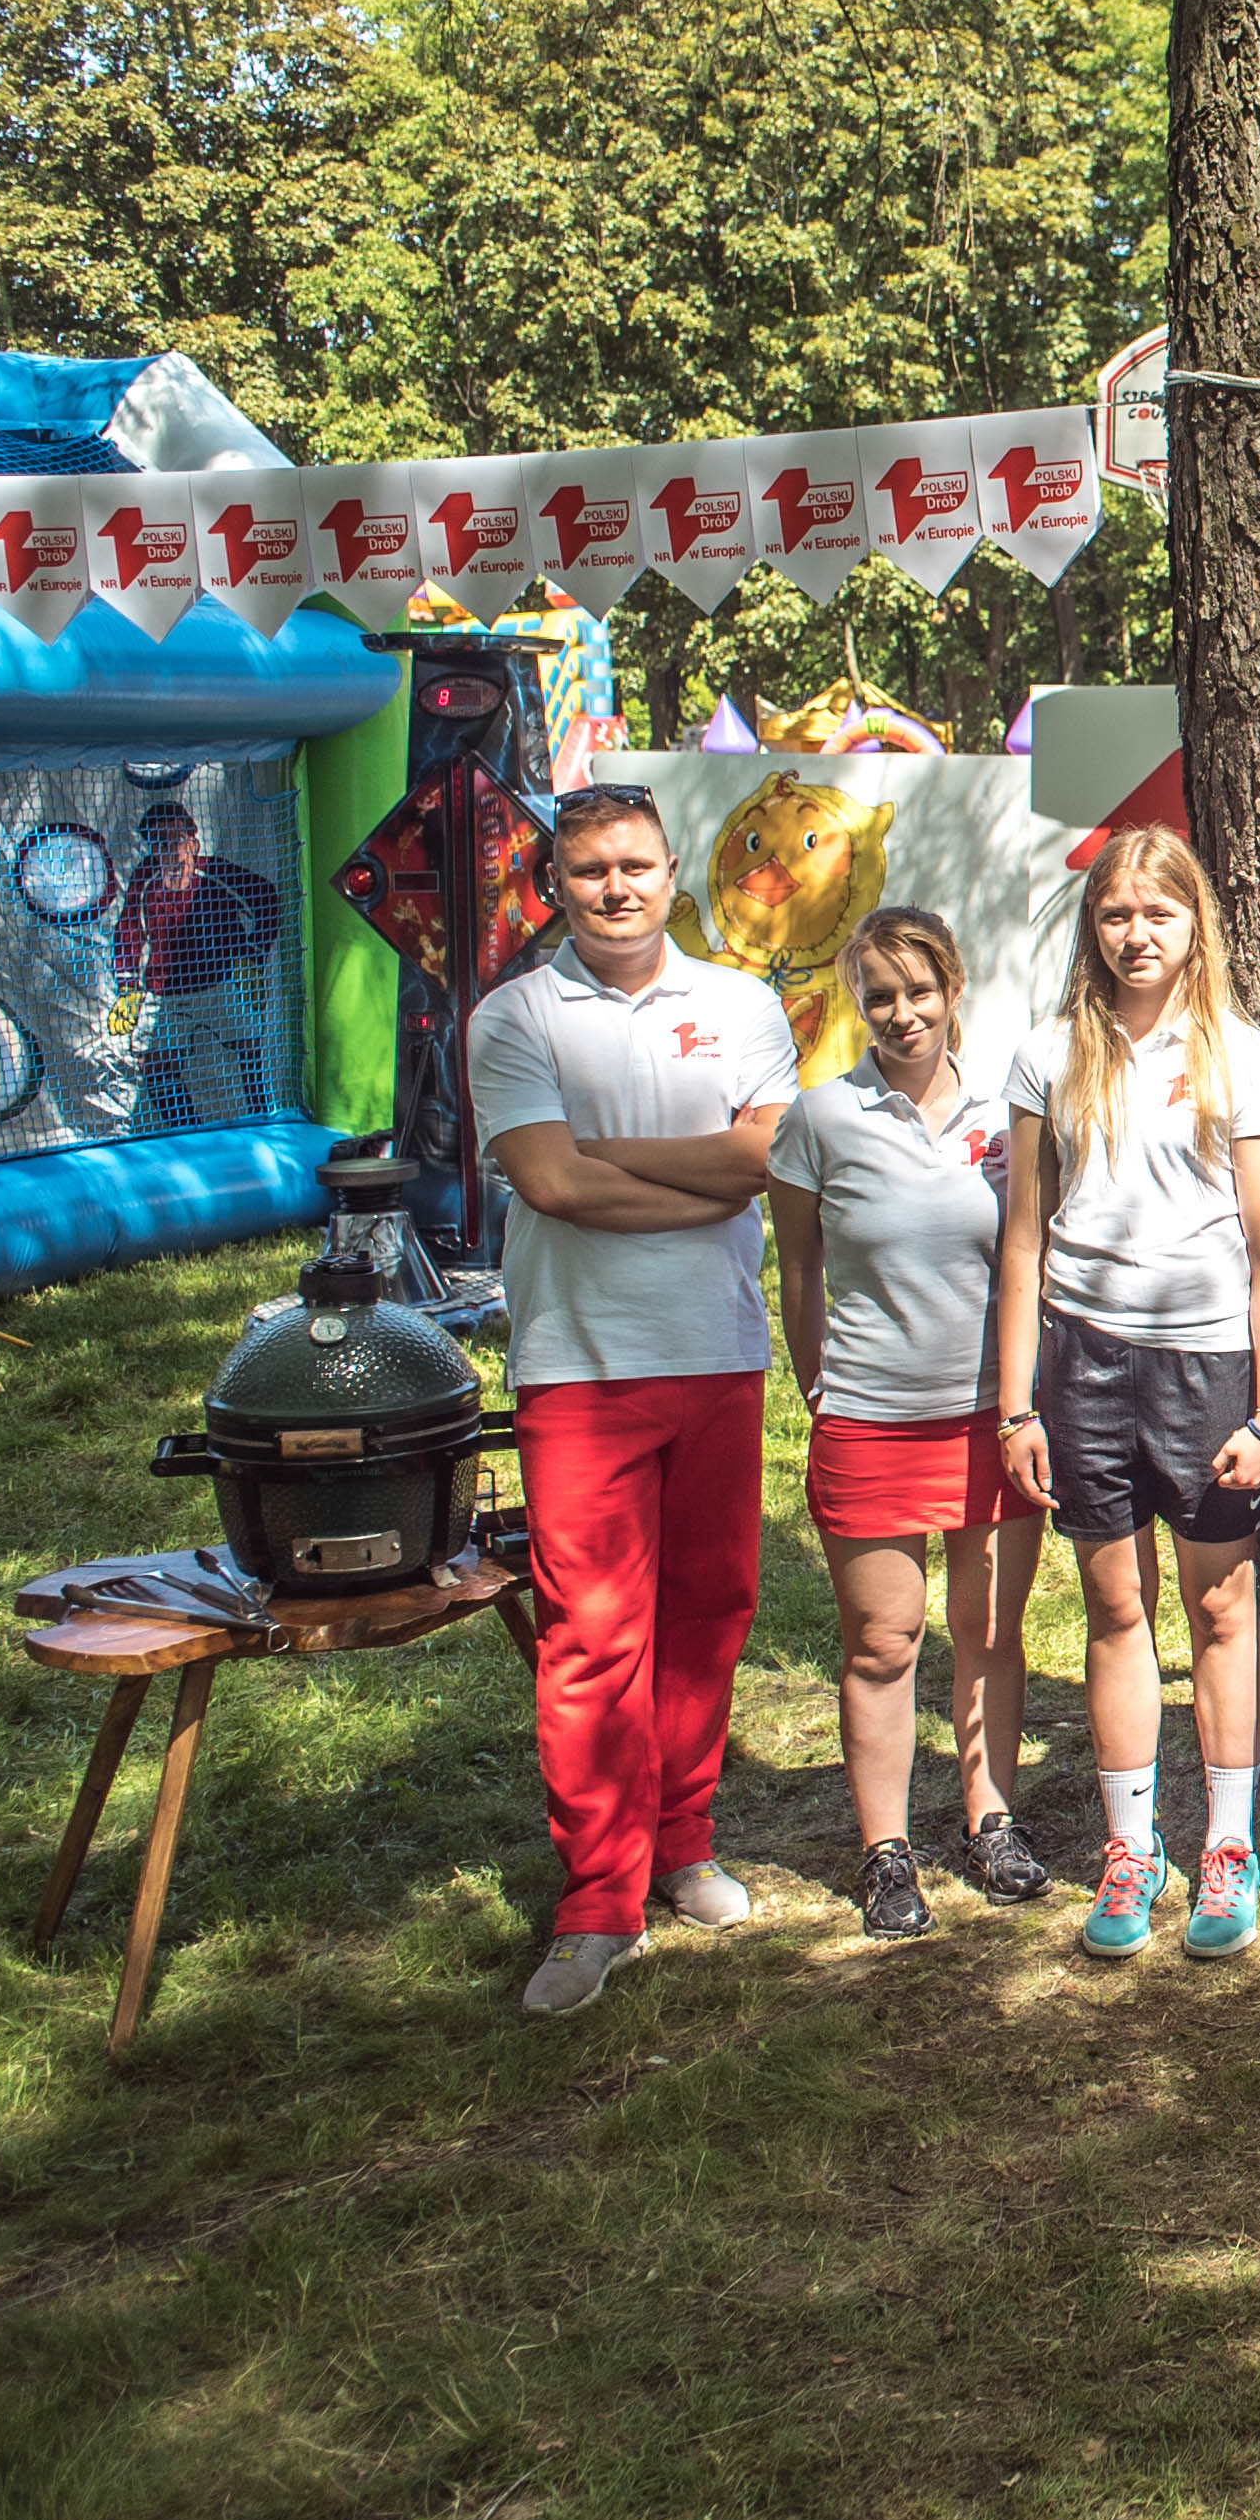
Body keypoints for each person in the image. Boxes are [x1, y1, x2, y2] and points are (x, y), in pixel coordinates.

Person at [468, 781, 800, 2016]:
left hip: (717, 1348)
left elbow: (761, 1160)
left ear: (674, 877)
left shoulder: (740, 1003)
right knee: (593, 1634)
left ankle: (682, 1839)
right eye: (589, 869)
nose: (615, 889)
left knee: (710, 1609)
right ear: (554, 885)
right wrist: (699, 1180)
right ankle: (597, 1898)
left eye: (636, 866)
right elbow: (550, 1188)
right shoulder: (515, 1016)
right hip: (580, 1359)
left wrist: (611, 1159)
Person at [993, 826, 1260, 1965]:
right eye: (1115, 914)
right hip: (1083, 1364)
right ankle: (1133, 1848)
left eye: (1156, 914)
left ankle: (1228, 1845)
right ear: (1092, 926)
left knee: (1220, 1611)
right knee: (1115, 1609)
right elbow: (1021, 1245)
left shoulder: (1240, 1054)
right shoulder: (1045, 1055)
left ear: (1192, 923)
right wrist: (1016, 1404)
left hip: (1209, 1368)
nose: (1135, 934)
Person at [768, 907, 1047, 1938]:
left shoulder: (1006, 1106)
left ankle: (991, 1819)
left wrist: (1026, 1397)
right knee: (882, 1644)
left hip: (992, 1420)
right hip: (873, 1422)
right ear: (857, 1003)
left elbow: (1032, 1254)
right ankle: (887, 1852)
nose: (900, 1013)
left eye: (918, 991)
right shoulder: (819, 1119)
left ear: (953, 987)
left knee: (987, 1632)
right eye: (879, 995)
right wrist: (820, 1388)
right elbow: (798, 1271)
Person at [113, 798, 287, 1127]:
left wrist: (252, 955)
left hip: (217, 984)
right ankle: (186, 1130)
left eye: (175, 840)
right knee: (157, 1066)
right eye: (158, 843)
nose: (169, 852)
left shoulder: (216, 872)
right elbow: (129, 930)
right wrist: (127, 988)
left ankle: (263, 1122)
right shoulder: (145, 880)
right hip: (169, 993)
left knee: (249, 1050)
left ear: (193, 841)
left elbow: (266, 897)